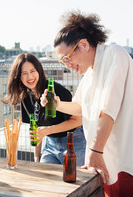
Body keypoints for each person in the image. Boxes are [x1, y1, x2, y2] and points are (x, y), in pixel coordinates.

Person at [41, 11, 133, 196]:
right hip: (107, 164)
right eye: (62, 61)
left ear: (83, 44)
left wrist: (94, 152)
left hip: (125, 161)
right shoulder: (90, 73)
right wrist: (58, 105)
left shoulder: (114, 54)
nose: (67, 65)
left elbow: (108, 110)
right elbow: (81, 107)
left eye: (67, 58)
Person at [2, 53, 86, 166]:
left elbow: (78, 120)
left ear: (39, 71)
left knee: (75, 181)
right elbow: (36, 129)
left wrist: (48, 130)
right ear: (18, 77)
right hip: (50, 146)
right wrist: (37, 156)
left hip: (74, 143)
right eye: (24, 73)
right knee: (44, 177)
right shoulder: (25, 97)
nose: (29, 77)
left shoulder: (55, 90)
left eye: (32, 71)